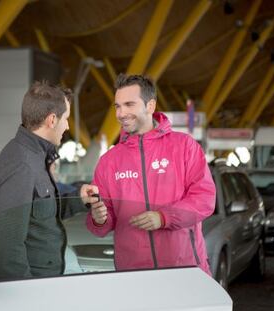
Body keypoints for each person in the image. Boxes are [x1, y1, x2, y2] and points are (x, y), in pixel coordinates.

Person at [82, 74, 215, 275]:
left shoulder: (184, 146)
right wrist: (98, 217)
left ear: (150, 106)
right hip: (133, 275)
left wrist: (163, 218)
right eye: (117, 106)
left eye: (129, 104)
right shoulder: (109, 160)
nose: (121, 113)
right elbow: (104, 221)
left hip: (184, 270)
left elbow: (204, 199)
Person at [0, 81, 93, 281]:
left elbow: (40, 212)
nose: (67, 126)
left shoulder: (35, 156)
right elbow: (8, 245)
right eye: (66, 119)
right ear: (52, 120)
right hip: (29, 289)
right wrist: (29, 295)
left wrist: (78, 198)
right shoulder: (21, 164)